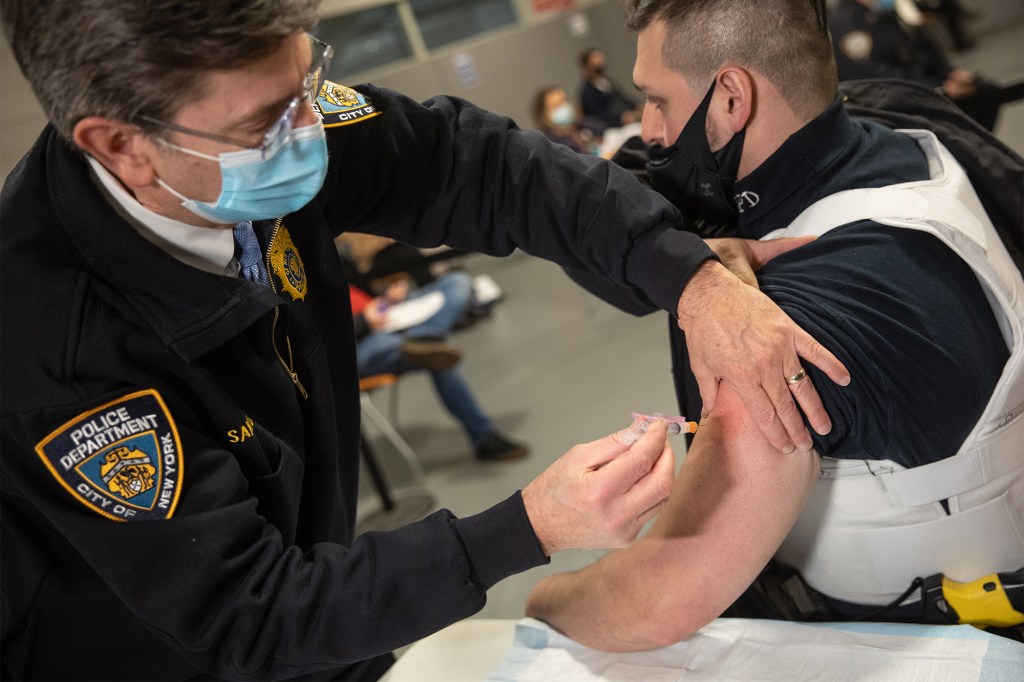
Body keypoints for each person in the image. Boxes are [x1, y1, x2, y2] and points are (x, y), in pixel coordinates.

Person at [0, 1, 852, 679]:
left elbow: (474, 167)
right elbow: (246, 614)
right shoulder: (56, 348)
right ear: (122, 146)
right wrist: (525, 527)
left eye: (308, 81)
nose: (308, 129)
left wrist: (685, 276)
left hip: (328, 614)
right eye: (268, 119)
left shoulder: (255, 125)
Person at [527, 0, 1023, 649]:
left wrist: (538, 599)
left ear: (732, 97)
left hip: (909, 639)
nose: (647, 129)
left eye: (658, 100)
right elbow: (603, 225)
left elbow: (657, 597)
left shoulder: (781, 324)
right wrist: (684, 265)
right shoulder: (901, 130)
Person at [347, 266, 529, 462]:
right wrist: (364, 322)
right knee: (439, 355)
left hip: (386, 314)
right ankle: (483, 437)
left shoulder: (327, 252)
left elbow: (361, 287)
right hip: (355, 345)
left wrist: (385, 294)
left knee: (457, 282)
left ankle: (425, 336)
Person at [829, 0, 1021, 131]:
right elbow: (873, 80)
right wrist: (939, 89)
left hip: (926, 84)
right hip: (896, 101)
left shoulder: (889, 9)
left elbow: (925, 49)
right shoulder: (845, 23)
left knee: (986, 91)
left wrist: (950, 74)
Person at [579, 48, 643, 133]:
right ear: (586, 66)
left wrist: (637, 106)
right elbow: (599, 116)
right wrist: (621, 118)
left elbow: (622, 97)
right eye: (595, 58)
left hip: (628, 121)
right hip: (612, 129)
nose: (600, 61)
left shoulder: (607, 82)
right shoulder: (587, 92)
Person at [532, 85, 598, 155]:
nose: (563, 107)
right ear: (544, 117)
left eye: (564, 101)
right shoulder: (552, 147)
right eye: (556, 105)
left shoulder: (587, 124)